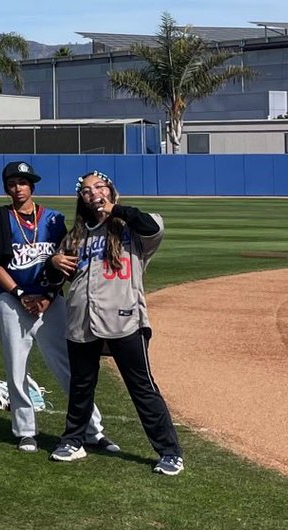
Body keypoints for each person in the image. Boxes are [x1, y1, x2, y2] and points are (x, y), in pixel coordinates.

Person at [46, 171, 183, 476]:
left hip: (124, 319)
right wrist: (53, 264)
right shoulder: (75, 236)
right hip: (81, 321)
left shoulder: (131, 228)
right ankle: (73, 440)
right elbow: (55, 279)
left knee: (141, 387)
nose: (92, 193)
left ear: (110, 191)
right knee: (81, 385)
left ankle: (170, 452)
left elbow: (152, 226)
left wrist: (115, 211)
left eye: (99, 187)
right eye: (85, 191)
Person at [0, 161, 117, 454]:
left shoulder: (54, 220)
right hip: (11, 299)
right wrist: (19, 294)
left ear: (32, 185)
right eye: (12, 183)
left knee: (67, 367)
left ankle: (93, 430)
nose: (17, 188)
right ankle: (25, 431)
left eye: (23, 182)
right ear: (6, 187)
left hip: (50, 300)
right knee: (16, 368)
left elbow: (66, 262)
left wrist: (48, 294)